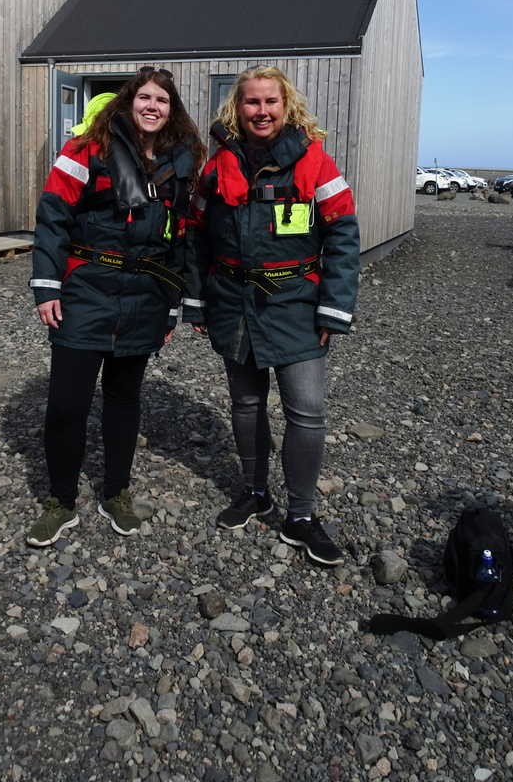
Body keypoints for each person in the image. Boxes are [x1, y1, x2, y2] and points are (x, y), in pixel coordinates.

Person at [183, 66, 360, 566]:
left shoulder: (315, 164)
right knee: (245, 403)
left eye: (270, 102)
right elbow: (196, 234)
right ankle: (255, 491)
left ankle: (301, 515)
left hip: (297, 307)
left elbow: (344, 237)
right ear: (236, 109)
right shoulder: (216, 168)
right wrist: (197, 300)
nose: (261, 111)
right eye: (251, 102)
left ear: (287, 107)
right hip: (234, 305)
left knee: (306, 410)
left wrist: (334, 307)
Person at [27, 68, 204, 547]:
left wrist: (174, 305)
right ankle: (60, 501)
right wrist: (47, 286)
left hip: (147, 295)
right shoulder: (86, 149)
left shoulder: (182, 161)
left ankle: (116, 492)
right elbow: (52, 217)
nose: (152, 106)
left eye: (162, 100)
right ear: (128, 102)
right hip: (85, 289)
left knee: (125, 400)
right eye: (144, 97)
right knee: (68, 405)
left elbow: (182, 237)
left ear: (173, 108)